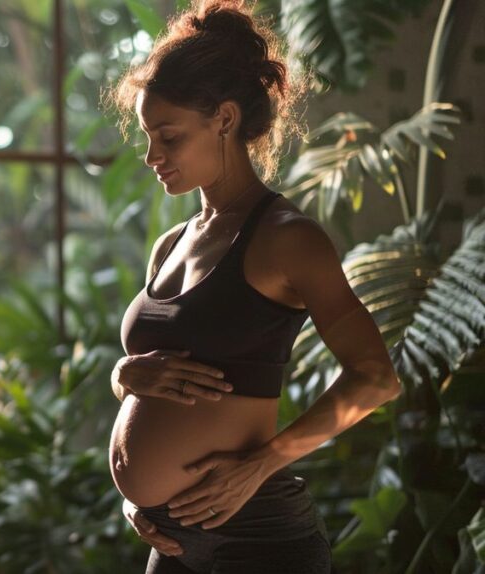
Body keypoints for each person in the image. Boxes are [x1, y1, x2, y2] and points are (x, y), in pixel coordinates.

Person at [100, 1, 403, 572]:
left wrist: (261, 464)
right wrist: (123, 377)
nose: (152, 156)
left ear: (225, 119)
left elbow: (376, 380)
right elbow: (163, 386)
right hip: (169, 540)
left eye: (168, 136)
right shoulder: (170, 245)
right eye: (148, 136)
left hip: (256, 537)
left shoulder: (287, 239)